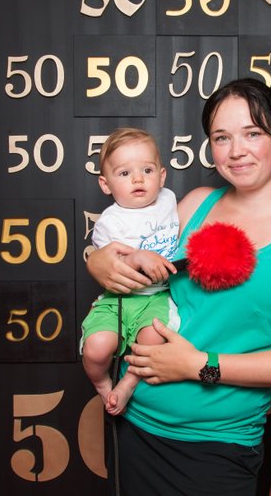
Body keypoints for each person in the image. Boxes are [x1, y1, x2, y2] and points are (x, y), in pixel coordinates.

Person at [87, 78, 271, 495]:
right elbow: (135, 256)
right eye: (222, 137)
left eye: (252, 133)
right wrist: (96, 260)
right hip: (135, 424)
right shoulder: (195, 204)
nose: (236, 150)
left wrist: (197, 365)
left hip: (218, 445)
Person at [80, 127, 179, 416]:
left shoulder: (169, 200)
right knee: (97, 347)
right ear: (105, 184)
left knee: (154, 339)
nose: (138, 179)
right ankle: (102, 383)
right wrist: (136, 257)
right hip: (118, 299)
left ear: (162, 176)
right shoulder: (109, 223)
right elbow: (112, 268)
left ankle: (129, 383)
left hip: (157, 297)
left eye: (147, 170)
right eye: (124, 173)